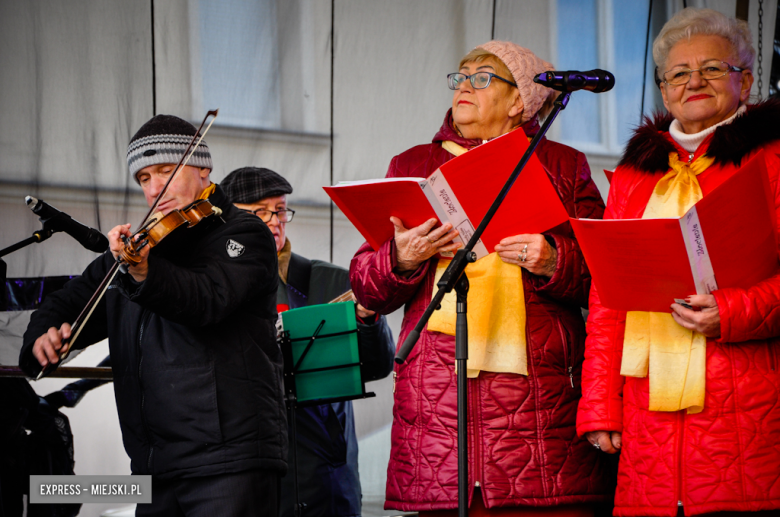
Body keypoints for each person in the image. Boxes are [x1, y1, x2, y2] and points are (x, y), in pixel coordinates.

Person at [349, 41, 612, 515]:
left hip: (539, 406)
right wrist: (401, 258)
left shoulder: (562, 165)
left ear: (519, 102)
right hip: (437, 405)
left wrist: (554, 258)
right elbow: (368, 287)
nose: (465, 84)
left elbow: (607, 274)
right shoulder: (411, 166)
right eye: (461, 74)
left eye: (483, 76)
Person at [18, 115, 287, 516]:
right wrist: (41, 336)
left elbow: (206, 300)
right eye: (144, 177)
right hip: (154, 468)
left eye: (165, 170)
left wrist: (143, 270)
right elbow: (68, 301)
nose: (155, 187)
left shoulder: (244, 234)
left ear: (202, 169)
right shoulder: (140, 248)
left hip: (228, 463)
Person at [576, 8, 780, 516]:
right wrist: (600, 404)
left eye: (712, 68)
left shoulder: (774, 158)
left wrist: (731, 312)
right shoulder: (633, 175)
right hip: (648, 418)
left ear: (746, 80)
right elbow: (607, 298)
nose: (694, 82)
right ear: (664, 92)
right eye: (679, 74)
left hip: (749, 408)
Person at [220, 166, 395, 517]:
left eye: (280, 209)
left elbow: (378, 365)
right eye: (258, 212)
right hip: (242, 470)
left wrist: (367, 318)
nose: (274, 221)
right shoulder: (213, 291)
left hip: (322, 470)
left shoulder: (332, 280)